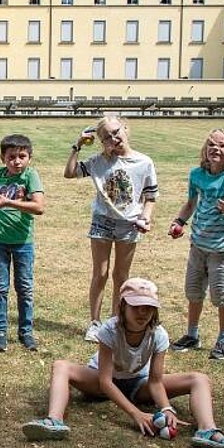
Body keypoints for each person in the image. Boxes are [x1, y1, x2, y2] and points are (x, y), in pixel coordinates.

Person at [22, 278, 224, 448]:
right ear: (123, 306)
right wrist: (136, 413)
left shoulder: (158, 334)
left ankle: (207, 431)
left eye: (149, 307)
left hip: (138, 384)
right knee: (61, 366)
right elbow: (105, 381)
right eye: (136, 306)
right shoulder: (110, 330)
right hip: (101, 382)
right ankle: (54, 421)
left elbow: (156, 381)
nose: (143, 313)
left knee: (199, 379)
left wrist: (167, 408)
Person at [167, 129, 224, 360]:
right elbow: (190, 203)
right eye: (211, 144)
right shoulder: (197, 174)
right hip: (198, 244)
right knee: (193, 291)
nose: (215, 149)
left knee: (222, 294)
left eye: (222, 145)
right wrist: (179, 221)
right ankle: (192, 334)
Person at [65, 116, 158, 343]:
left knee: (121, 275)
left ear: (125, 128)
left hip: (129, 224)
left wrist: (145, 218)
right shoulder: (99, 162)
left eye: (116, 132)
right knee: (101, 273)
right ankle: (95, 323)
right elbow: (70, 172)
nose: (114, 138)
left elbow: (150, 196)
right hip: (102, 222)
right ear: (102, 142)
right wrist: (77, 146)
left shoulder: (144, 162)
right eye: (107, 137)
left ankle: (116, 321)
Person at [0, 134, 46, 352]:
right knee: (0, 288)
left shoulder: (30, 176)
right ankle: (0, 332)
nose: (17, 161)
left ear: (29, 158)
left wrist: (8, 202)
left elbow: (39, 207)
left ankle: (25, 332)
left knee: (24, 288)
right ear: (3, 158)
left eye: (22, 156)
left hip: (23, 243)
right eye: (11, 157)